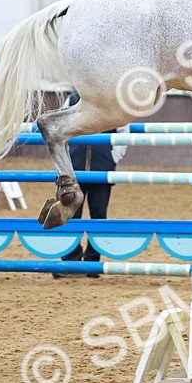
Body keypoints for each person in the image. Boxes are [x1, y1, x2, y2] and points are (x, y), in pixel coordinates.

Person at [55, 96, 126, 278]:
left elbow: (123, 131)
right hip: (73, 169)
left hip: (102, 168)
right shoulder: (72, 100)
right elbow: (59, 127)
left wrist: (112, 158)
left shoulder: (116, 101)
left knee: (99, 214)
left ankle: (92, 261)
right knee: (71, 214)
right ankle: (71, 260)